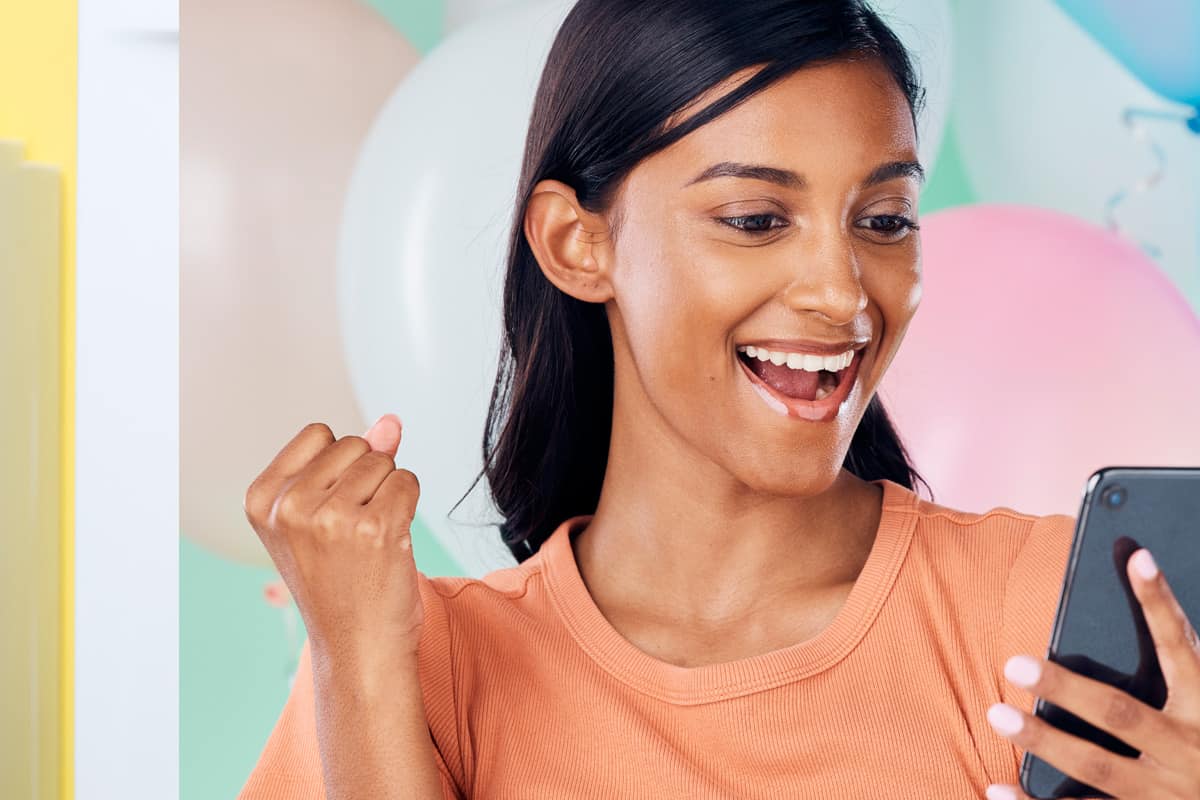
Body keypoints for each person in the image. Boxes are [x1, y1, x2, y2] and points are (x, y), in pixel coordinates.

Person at [235, 2, 1200, 798]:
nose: (842, 291)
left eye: (884, 220)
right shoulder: (403, 666)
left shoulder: (1062, 619)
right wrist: (358, 661)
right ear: (579, 243)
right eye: (754, 219)